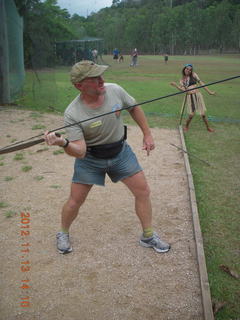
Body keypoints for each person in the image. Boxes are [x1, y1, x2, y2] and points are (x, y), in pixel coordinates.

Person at [44, 60, 170, 255]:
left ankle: (148, 235)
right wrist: (64, 143)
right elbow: (80, 151)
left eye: (101, 75)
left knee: (143, 191)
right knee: (75, 201)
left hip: (121, 152)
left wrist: (147, 133)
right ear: (79, 85)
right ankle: (63, 232)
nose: (102, 80)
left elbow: (134, 107)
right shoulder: (73, 113)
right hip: (90, 158)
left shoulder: (115, 90)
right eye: (94, 78)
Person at [170, 64, 215, 132]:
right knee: (191, 115)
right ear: (184, 69)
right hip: (190, 97)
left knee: (203, 114)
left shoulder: (194, 75)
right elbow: (183, 90)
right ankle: (186, 126)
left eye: (190, 70)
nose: (188, 70)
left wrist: (209, 92)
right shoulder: (182, 80)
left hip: (198, 96)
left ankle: (208, 128)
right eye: (187, 69)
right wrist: (176, 85)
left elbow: (201, 83)